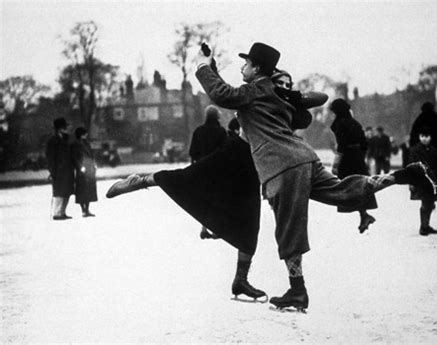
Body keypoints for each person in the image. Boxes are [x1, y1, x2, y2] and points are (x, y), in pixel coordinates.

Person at [193, 42, 437, 311]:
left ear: (258, 68)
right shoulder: (276, 93)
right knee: (343, 190)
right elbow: (294, 106)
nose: (243, 67)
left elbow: (222, 94)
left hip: (282, 167)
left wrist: (203, 65)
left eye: (247, 64)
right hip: (305, 158)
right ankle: (403, 175)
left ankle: (297, 291)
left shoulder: (255, 89)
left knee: (288, 228)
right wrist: (216, 68)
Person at [106, 69, 327, 302]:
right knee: (188, 177)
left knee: (251, 225)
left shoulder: (288, 106)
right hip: (236, 153)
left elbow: (319, 101)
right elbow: (227, 94)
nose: (283, 85)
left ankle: (240, 280)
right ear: (269, 84)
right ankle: (140, 181)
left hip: (256, 164)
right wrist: (212, 68)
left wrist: (294, 96)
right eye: (279, 82)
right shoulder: (258, 97)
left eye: (287, 83)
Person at [330, 99, 377, 233]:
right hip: (357, 158)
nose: (333, 115)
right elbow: (364, 144)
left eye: (333, 112)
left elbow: (341, 146)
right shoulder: (356, 123)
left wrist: (336, 164)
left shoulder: (340, 124)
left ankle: (363, 216)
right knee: (360, 185)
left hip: (347, 159)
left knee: (348, 186)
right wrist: (359, 156)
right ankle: (364, 215)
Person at [189, 105, 227, 239]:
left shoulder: (198, 131)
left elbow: (192, 152)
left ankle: (204, 228)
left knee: (205, 198)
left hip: (201, 169)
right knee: (217, 198)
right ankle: (216, 230)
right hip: (217, 169)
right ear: (217, 116)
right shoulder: (221, 131)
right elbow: (226, 151)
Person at [408, 127, 437, 236]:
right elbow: (410, 166)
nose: (424, 139)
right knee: (425, 203)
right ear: (419, 137)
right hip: (420, 180)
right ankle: (423, 226)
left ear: (431, 137)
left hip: (432, 181)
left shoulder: (434, 150)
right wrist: (411, 181)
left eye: (427, 136)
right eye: (422, 136)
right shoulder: (415, 150)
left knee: (430, 203)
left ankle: (426, 224)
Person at [45, 117, 74, 220]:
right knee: (59, 192)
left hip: (67, 170)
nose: (66, 129)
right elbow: (50, 157)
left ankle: (62, 212)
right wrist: (52, 170)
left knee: (67, 191)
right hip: (58, 171)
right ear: (59, 128)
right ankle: (57, 213)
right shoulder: (53, 141)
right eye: (64, 127)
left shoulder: (66, 139)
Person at [71, 127, 98, 217]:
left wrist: (94, 164)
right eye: (84, 133)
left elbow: (91, 155)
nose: (86, 135)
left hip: (89, 168)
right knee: (82, 190)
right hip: (82, 169)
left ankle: (87, 209)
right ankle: (83, 209)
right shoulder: (76, 144)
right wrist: (80, 167)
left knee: (89, 189)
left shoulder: (86, 143)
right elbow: (75, 157)